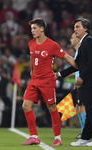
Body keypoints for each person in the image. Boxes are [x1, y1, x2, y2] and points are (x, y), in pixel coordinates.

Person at [21, 18, 78, 146]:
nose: (32, 31)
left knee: (52, 108)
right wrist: (31, 70)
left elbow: (66, 57)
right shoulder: (31, 43)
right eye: (31, 29)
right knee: (26, 105)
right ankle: (34, 136)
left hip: (47, 81)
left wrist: (80, 66)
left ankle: (58, 138)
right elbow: (32, 56)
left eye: (34, 28)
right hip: (34, 80)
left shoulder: (52, 45)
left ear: (42, 29)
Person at [56, 18, 92, 146]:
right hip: (91, 81)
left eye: (77, 27)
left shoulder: (89, 41)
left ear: (85, 28)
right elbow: (76, 65)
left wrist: (82, 77)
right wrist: (60, 74)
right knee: (90, 108)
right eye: (74, 27)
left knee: (91, 109)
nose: (75, 29)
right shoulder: (84, 43)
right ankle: (85, 137)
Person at [69, 33, 86, 139]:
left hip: (83, 84)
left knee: (82, 108)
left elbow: (83, 69)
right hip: (78, 84)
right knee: (78, 108)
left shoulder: (81, 52)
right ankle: (84, 131)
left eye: (72, 37)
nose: (70, 39)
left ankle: (86, 132)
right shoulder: (78, 52)